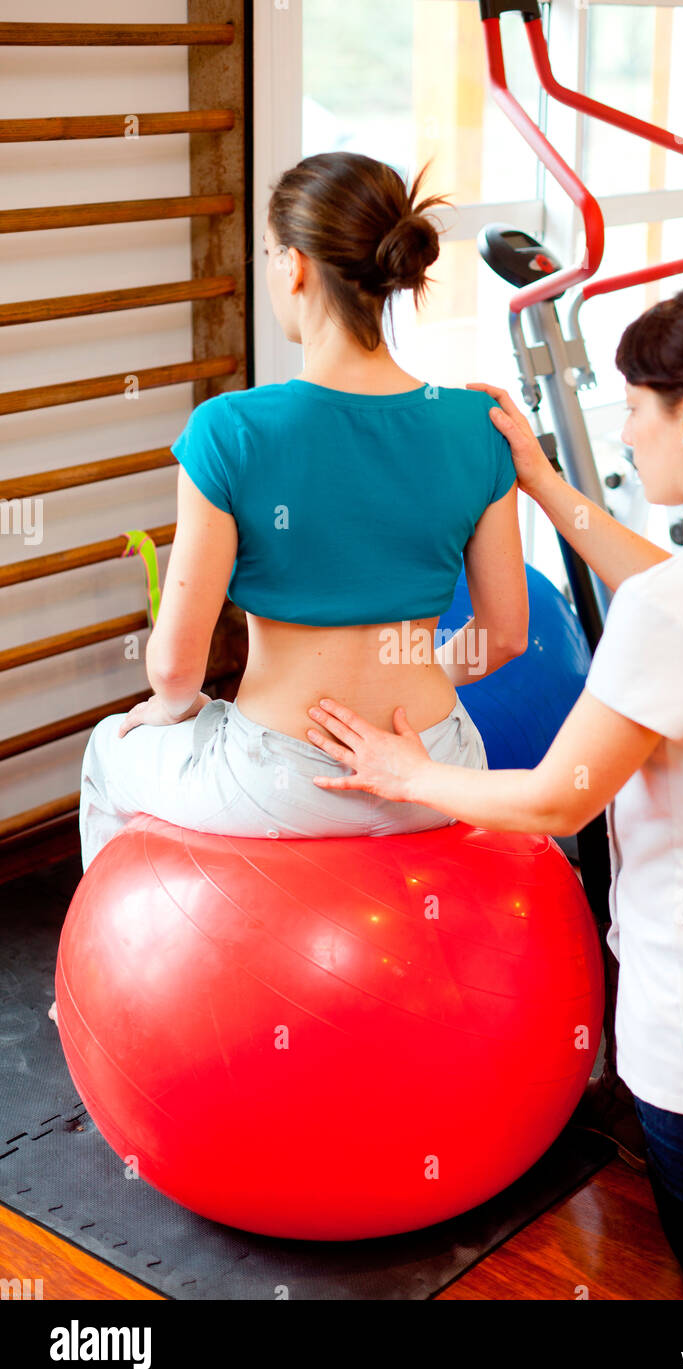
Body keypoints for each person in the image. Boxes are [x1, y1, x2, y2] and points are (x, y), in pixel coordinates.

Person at [302, 278, 683, 1302]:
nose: (632, 431)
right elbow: (676, 596)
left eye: (636, 408)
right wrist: (540, 478)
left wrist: (407, 770)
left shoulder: (681, 611)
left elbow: (561, 800)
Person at [72, 151, 527, 878]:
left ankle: (89, 991)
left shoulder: (231, 429)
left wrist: (165, 710)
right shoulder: (477, 425)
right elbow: (503, 638)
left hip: (281, 782)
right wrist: (412, 682)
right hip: (433, 766)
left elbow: (177, 669)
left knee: (107, 749)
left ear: (295, 266)